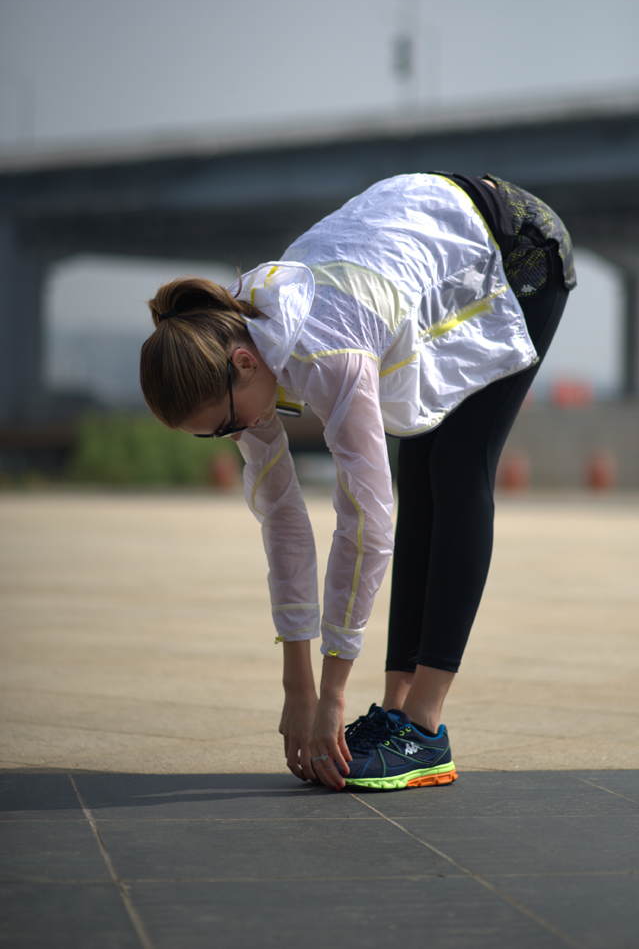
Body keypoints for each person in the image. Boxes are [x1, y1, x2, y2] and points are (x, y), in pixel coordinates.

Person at [140, 172, 575, 791]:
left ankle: (423, 727)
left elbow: (367, 524)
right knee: (416, 474)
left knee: (455, 469)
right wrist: (298, 686)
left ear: (244, 364)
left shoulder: (325, 355)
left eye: (226, 425)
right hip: (421, 260)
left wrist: (332, 696)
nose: (234, 436)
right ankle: (397, 713)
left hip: (515, 249)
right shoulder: (223, 338)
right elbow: (283, 521)